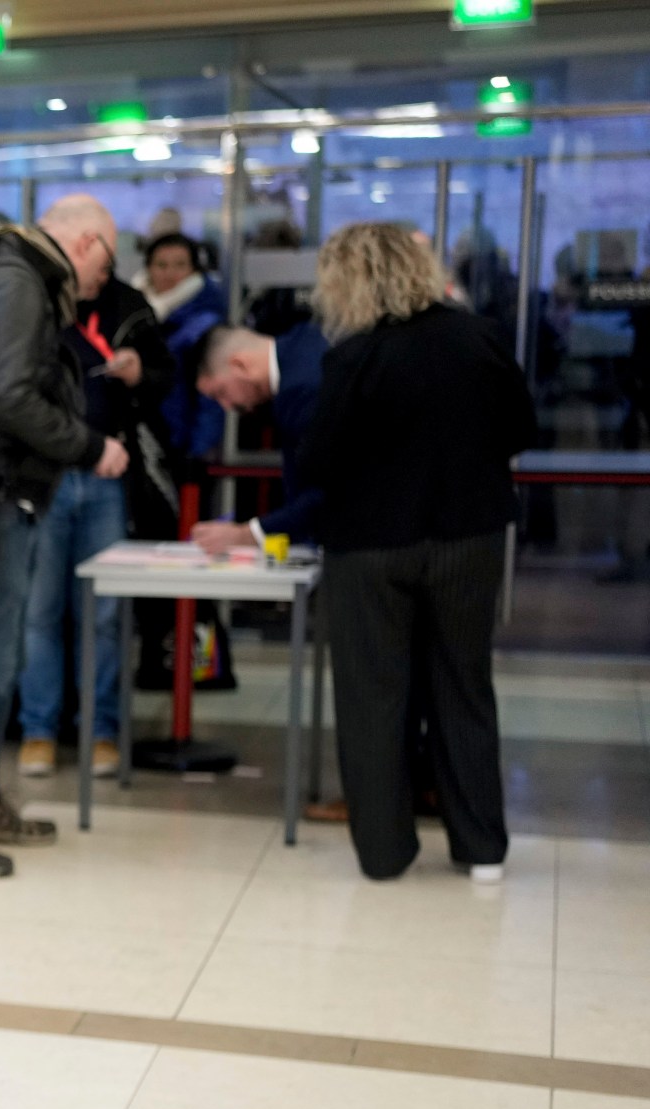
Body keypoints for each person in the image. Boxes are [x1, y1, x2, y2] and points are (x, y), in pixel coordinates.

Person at [297, 221, 534, 881]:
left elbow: (319, 458)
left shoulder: (354, 357)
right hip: (468, 537)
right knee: (462, 686)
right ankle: (481, 848)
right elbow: (523, 425)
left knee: (373, 695)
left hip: (371, 546)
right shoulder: (478, 337)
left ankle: (385, 850)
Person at [0, 198, 131, 879]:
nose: (103, 279)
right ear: (87, 243)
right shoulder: (16, 284)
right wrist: (89, 444)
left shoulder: (9, 278)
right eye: (108, 260)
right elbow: (12, 396)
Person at [19, 255, 171, 780]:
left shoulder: (129, 307)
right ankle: (38, 729)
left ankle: (100, 729)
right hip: (48, 476)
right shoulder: (29, 305)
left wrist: (138, 374)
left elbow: (165, 380)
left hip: (110, 476)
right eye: (93, 264)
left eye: (109, 267)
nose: (101, 277)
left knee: (103, 616)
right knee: (40, 611)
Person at [191, 321, 331, 553]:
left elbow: (328, 490)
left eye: (220, 393)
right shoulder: (305, 340)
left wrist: (248, 534)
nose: (227, 406)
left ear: (240, 365)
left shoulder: (300, 390)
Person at [140, 234, 225, 462]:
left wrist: (198, 451)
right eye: (161, 265)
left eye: (180, 265)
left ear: (194, 271)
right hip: (139, 443)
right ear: (148, 269)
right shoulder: (132, 314)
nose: (170, 274)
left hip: (182, 447)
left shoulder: (205, 324)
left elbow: (213, 396)